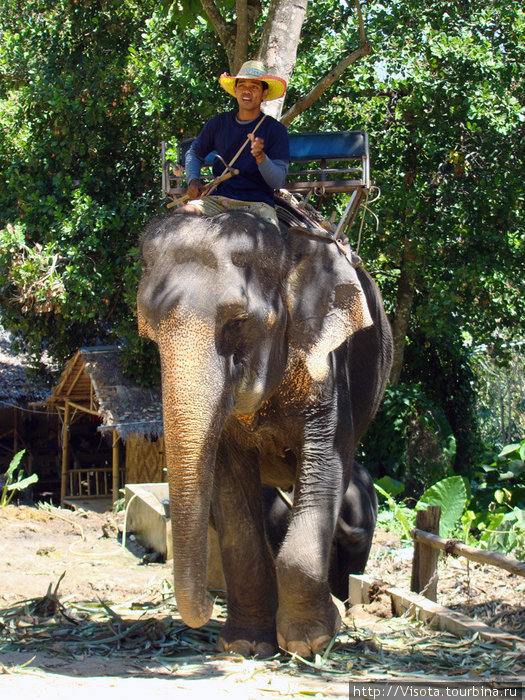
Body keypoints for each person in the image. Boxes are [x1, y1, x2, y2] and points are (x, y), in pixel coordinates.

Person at [178, 60, 290, 228]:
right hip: (218, 201)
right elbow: (194, 153)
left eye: (254, 87)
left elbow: (277, 180)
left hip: (258, 205)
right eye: (242, 85)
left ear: (264, 93)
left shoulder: (276, 130)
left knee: (273, 237)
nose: (247, 91)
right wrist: (193, 180)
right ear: (235, 90)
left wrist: (261, 158)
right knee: (179, 217)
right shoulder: (218, 123)